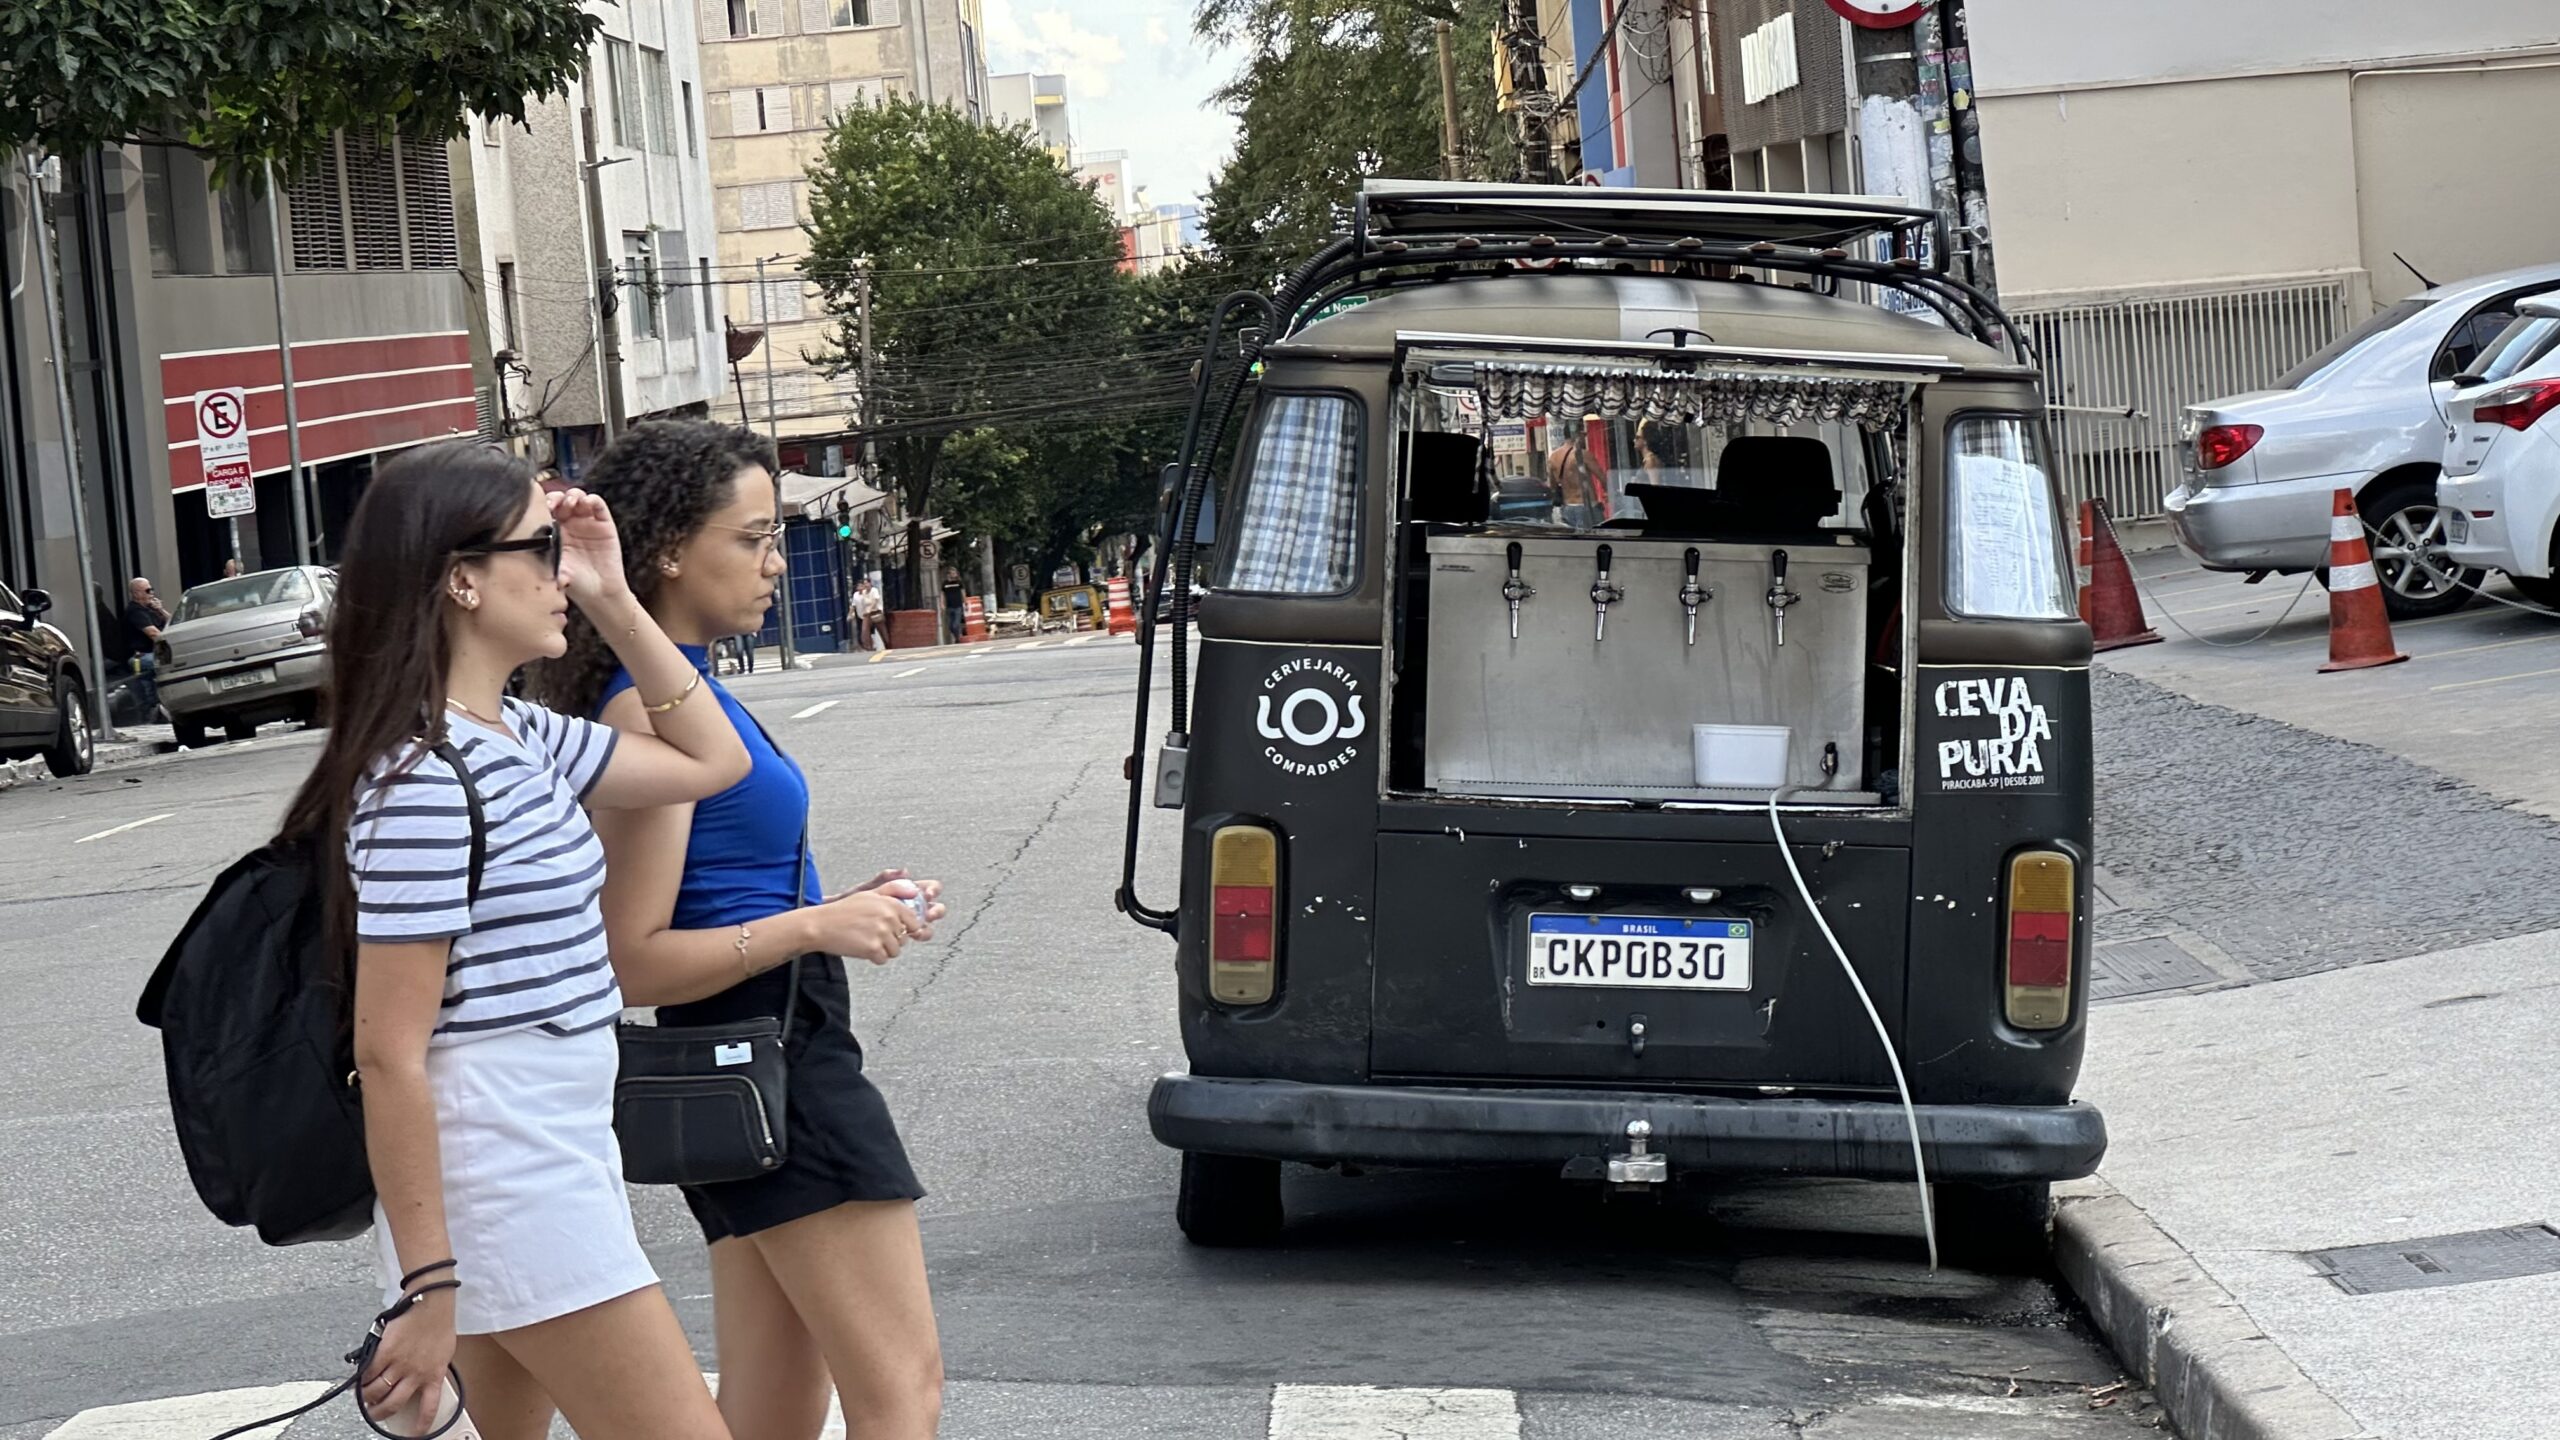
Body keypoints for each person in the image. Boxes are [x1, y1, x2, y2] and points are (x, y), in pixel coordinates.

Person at [273, 441, 753, 1440]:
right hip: (504, 1169)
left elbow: (713, 760)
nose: (560, 569)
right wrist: (430, 1281)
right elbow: (389, 1052)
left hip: (548, 1146)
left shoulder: (517, 736)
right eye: (540, 548)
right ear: (460, 579)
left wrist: (615, 595)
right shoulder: (421, 782)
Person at [528, 421, 946, 1440]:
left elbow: (730, 888)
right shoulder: (650, 712)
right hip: (769, 1059)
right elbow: (631, 954)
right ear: (666, 550)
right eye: (750, 539)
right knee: (900, 1390)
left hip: (751, 1060)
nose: (773, 565)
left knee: (773, 1409)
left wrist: (848, 907)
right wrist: (816, 925)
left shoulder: (686, 692)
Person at [123, 577, 168, 713]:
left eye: (152, 589)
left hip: (155, 652)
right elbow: (153, 634)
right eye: (148, 591)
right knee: (168, 664)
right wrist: (171, 646)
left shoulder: (151, 609)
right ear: (137, 594)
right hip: (141, 656)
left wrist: (161, 610)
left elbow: (174, 622)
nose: (152, 593)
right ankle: (159, 707)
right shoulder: (136, 611)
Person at [848, 576, 882, 652]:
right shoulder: (855, 595)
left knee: (869, 629)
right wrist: (850, 613)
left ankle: (872, 644)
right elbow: (853, 605)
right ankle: (865, 646)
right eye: (858, 586)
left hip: (868, 615)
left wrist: (870, 609)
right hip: (860, 615)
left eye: (862, 585)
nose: (860, 587)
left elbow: (873, 601)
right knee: (861, 631)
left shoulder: (867, 593)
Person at [939, 565, 965, 644]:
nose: (953, 574)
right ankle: (957, 637)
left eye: (955, 573)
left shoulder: (959, 582)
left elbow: (963, 592)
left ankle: (958, 637)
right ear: (949, 574)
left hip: (958, 606)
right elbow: (942, 594)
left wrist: (964, 601)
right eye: (952, 573)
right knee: (950, 626)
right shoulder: (945, 583)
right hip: (949, 606)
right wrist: (942, 604)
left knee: (955, 624)